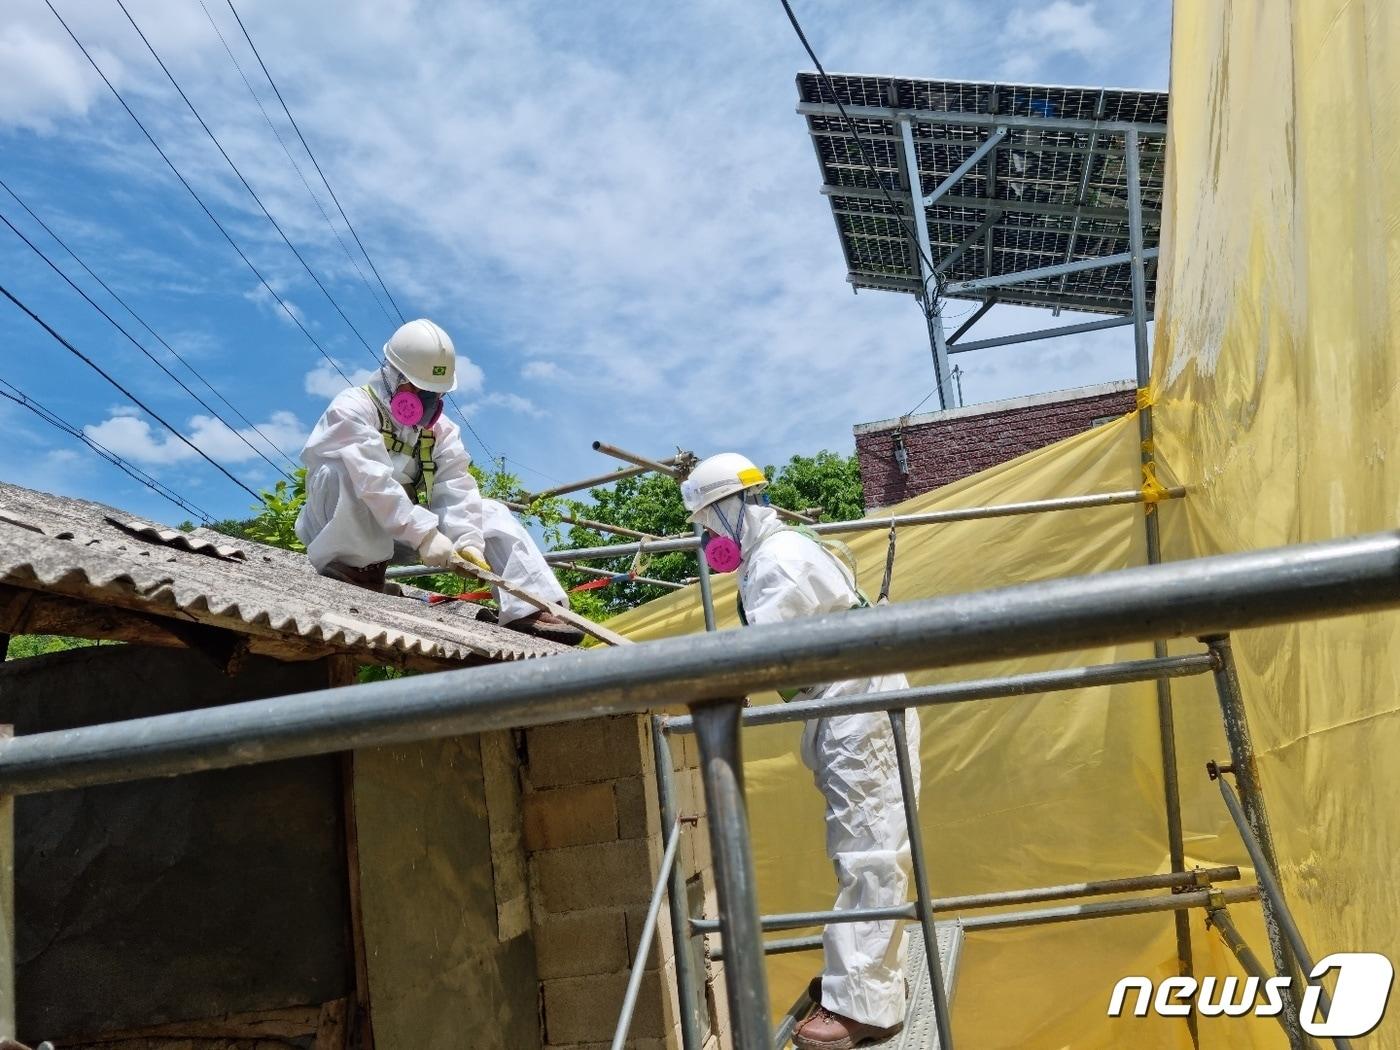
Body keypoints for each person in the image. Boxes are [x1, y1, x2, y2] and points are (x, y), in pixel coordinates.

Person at [681, 453, 920, 1050]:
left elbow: (757, 654)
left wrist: (692, 684)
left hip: (857, 706)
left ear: (732, 508)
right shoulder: (779, 550)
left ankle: (863, 1008)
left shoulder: (777, 563)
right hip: (849, 702)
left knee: (869, 851)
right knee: (866, 848)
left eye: (709, 523)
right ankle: (861, 985)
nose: (710, 538)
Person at [295, 318, 582, 645]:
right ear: (392, 375)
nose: (427, 402)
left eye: (435, 394)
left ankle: (530, 607)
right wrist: (425, 535)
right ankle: (358, 569)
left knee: (490, 511)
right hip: (339, 526)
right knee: (344, 472)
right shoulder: (352, 408)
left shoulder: (439, 431)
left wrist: (467, 540)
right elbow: (373, 480)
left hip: (401, 533)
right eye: (419, 390)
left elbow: (456, 485)